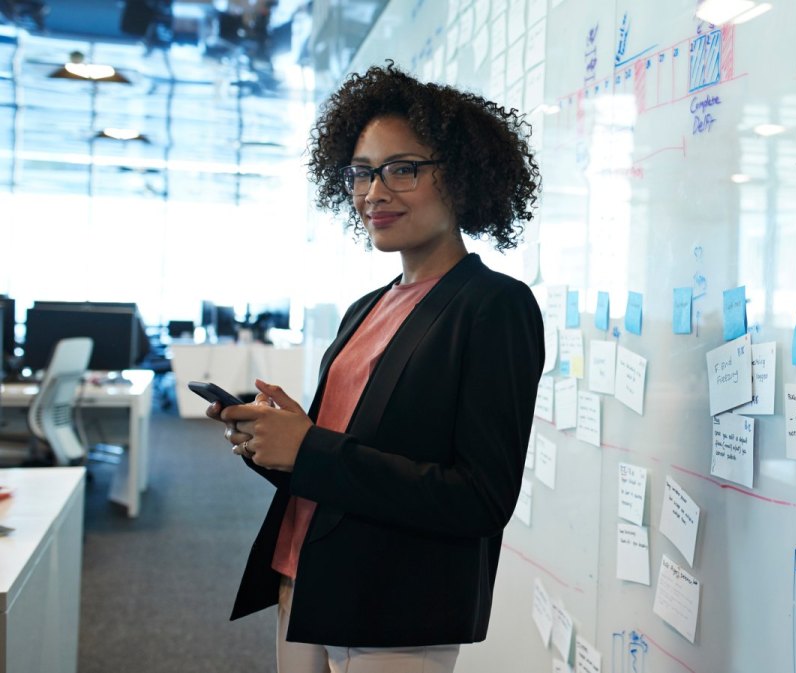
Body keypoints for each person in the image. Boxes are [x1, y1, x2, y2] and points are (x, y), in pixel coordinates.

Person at [205, 63, 544, 673]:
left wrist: (308, 449)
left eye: (402, 170)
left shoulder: (494, 305)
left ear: (461, 178)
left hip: (394, 603)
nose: (372, 193)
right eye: (361, 174)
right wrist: (274, 442)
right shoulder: (368, 306)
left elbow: (479, 498)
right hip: (302, 575)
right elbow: (349, 457)